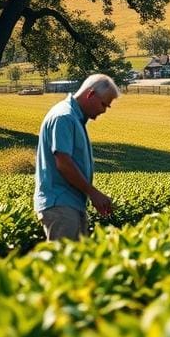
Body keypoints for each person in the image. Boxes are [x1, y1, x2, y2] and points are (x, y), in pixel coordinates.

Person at [33, 73, 120, 241]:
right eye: (103, 104)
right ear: (90, 94)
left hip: (71, 204)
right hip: (60, 204)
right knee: (63, 263)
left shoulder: (74, 117)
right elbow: (63, 163)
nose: (103, 110)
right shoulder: (64, 117)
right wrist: (93, 193)